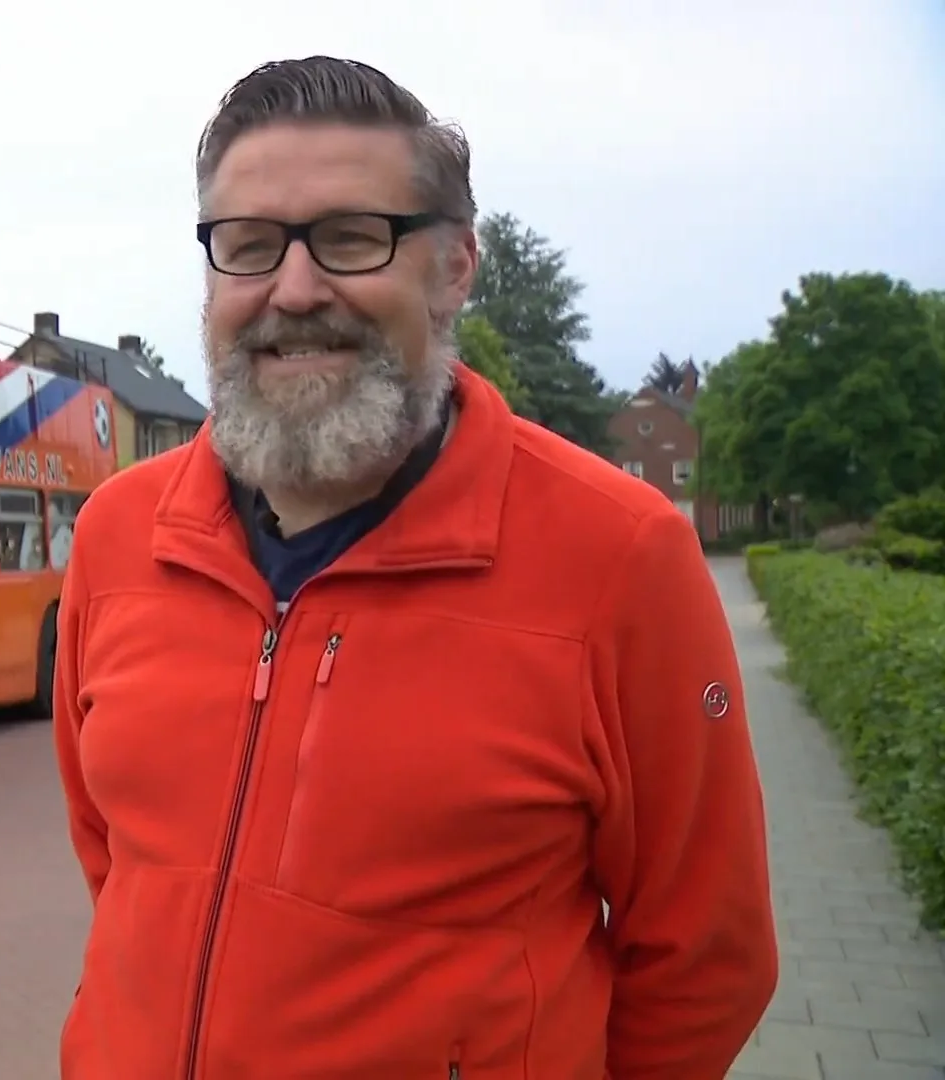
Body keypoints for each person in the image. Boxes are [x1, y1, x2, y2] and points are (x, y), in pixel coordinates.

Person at [50, 56, 777, 1079]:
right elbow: (116, 862)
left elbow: (706, 957)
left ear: (455, 268)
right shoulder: (121, 533)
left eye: (352, 238)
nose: (293, 291)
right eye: (248, 247)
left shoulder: (621, 555)